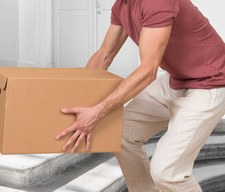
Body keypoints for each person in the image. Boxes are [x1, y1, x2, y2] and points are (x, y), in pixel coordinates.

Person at [56, 0, 225, 191]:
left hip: (209, 84)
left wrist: (97, 112)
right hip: (176, 79)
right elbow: (103, 56)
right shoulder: (122, 5)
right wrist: (76, 101)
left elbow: (147, 71)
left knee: (167, 173)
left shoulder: (155, 2)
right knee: (122, 133)